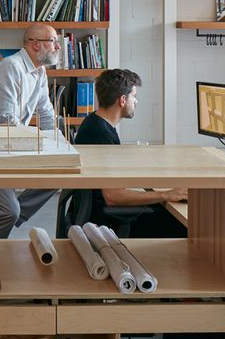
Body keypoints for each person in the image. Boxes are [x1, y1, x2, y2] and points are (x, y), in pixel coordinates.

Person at [0, 25, 61, 238]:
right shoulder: (10, 67)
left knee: (58, 175)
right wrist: (33, 142)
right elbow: (6, 118)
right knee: (10, 211)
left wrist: (59, 144)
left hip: (11, 141)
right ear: (35, 44)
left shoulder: (40, 71)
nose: (58, 46)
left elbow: (46, 113)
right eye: (53, 41)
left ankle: (4, 213)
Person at [75, 68, 187, 236]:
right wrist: (166, 194)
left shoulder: (95, 123)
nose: (136, 101)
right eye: (134, 96)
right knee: (184, 224)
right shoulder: (102, 135)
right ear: (122, 100)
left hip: (100, 213)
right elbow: (113, 197)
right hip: (107, 222)